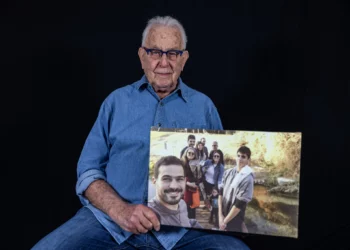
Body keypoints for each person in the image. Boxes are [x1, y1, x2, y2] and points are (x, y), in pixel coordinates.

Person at [32, 15, 250, 250]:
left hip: (183, 231)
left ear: (184, 59)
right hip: (110, 224)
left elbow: (222, 174)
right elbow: (88, 170)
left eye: (173, 53)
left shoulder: (204, 107)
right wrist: (121, 211)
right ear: (141, 56)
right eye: (155, 52)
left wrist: (236, 217)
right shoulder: (116, 102)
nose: (163, 62)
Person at [148, 156, 202, 229]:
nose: (174, 186)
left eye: (179, 179)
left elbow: (186, 222)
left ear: (185, 181)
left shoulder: (182, 203)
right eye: (166, 179)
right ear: (154, 181)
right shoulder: (148, 215)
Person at [218, 146, 254, 233]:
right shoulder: (228, 172)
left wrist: (224, 222)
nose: (240, 159)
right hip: (222, 214)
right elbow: (220, 193)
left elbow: (239, 204)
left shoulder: (248, 178)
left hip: (235, 218)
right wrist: (220, 215)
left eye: (243, 156)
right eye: (238, 155)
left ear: (248, 160)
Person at [181, 147, 203, 219]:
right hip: (185, 187)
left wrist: (196, 184)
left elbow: (199, 177)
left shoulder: (197, 164)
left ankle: (192, 222)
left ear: (195, 155)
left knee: (193, 205)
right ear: (186, 153)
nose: (190, 154)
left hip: (193, 187)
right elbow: (179, 177)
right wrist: (187, 183)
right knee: (185, 205)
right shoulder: (182, 163)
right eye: (189, 153)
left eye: (192, 153)